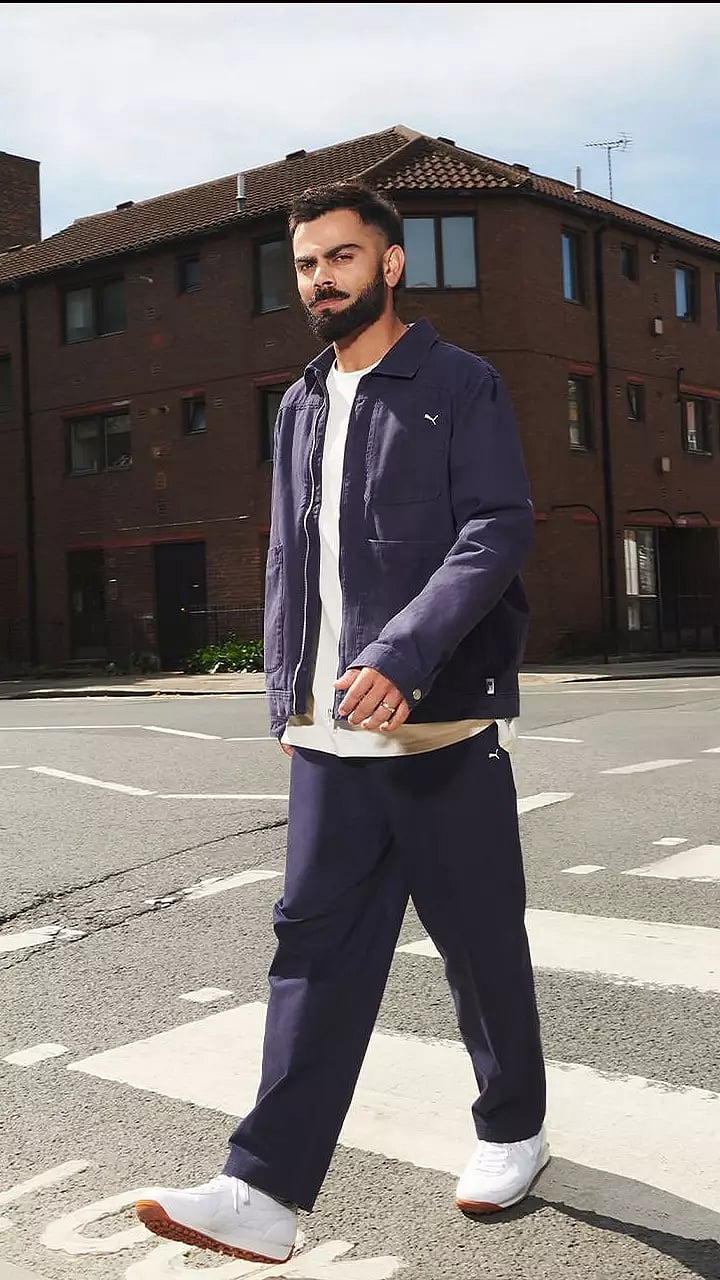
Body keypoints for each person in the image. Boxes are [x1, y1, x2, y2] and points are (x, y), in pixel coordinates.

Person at [135, 181, 548, 1265]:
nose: (321, 279)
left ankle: (515, 1128)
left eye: (342, 257)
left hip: (439, 731)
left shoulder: (460, 384)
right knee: (311, 954)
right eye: (307, 264)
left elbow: (496, 530)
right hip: (326, 740)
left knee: (480, 947)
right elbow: (289, 560)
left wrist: (402, 654)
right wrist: (286, 692)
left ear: (391, 264)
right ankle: (262, 1189)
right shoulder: (299, 404)